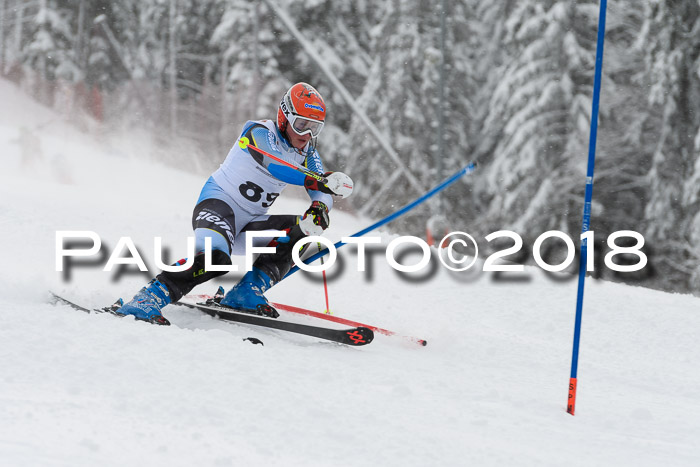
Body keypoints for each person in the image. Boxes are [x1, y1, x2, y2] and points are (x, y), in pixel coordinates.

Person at [115, 82, 353, 325]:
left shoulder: (308, 154)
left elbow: (321, 191)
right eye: (301, 124)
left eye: (315, 128)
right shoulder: (258, 132)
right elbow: (278, 167)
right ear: (284, 117)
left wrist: (319, 208)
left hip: (250, 224)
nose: (306, 135)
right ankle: (147, 298)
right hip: (217, 207)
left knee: (304, 230)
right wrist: (319, 181)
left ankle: (246, 292)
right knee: (215, 259)